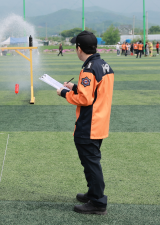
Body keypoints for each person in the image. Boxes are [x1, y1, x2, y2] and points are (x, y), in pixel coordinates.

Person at [57, 31, 114, 215]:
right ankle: (93, 194)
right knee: (90, 162)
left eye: (76, 47)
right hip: (100, 122)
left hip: (89, 125)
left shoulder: (88, 68)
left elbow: (85, 99)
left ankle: (98, 202)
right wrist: (75, 86)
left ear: (79, 48)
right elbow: (96, 92)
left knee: (91, 163)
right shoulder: (104, 65)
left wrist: (65, 93)